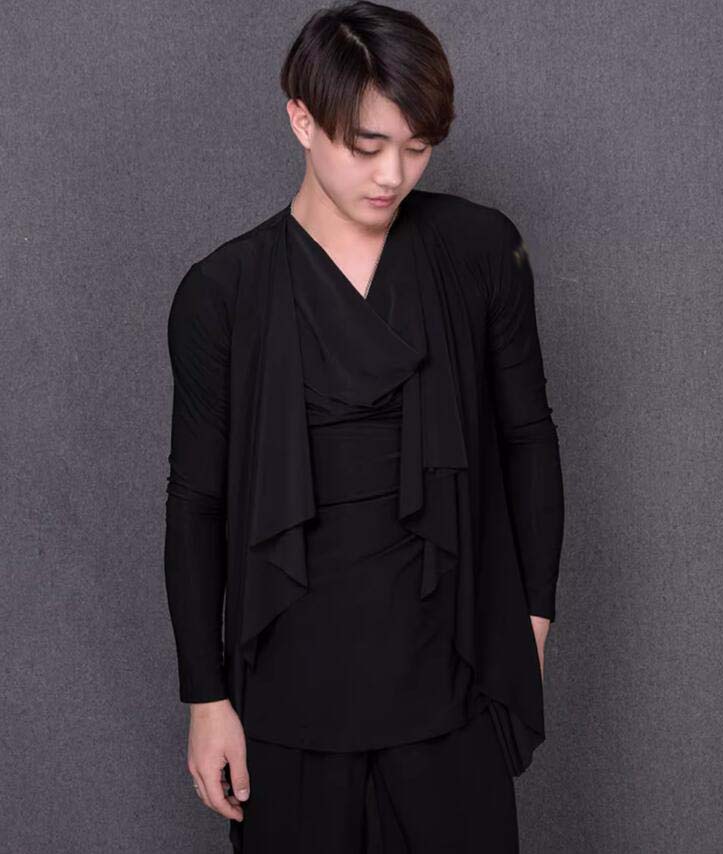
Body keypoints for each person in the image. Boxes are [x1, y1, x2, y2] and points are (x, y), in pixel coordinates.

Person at [163, 2, 565, 851]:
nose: (393, 175)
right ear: (302, 120)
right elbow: (196, 502)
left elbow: (529, 436)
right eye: (367, 145)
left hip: (452, 668)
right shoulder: (220, 294)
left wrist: (533, 617)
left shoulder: (482, 251)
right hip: (289, 691)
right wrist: (205, 695)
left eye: (417, 148)